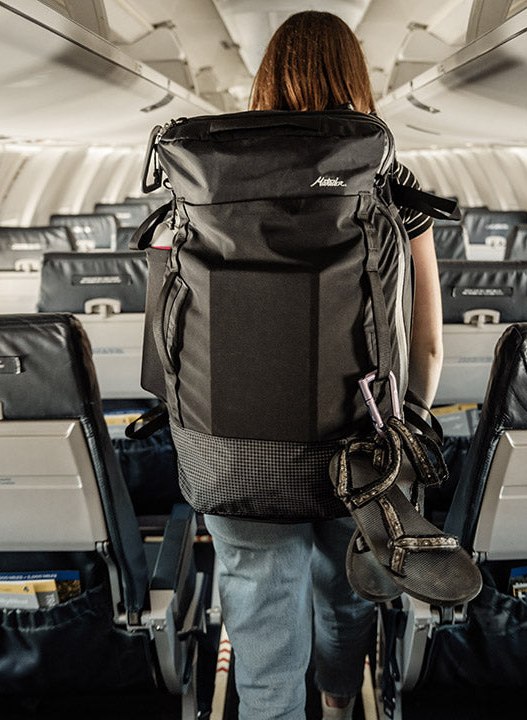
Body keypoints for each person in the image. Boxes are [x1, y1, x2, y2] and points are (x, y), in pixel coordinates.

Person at [202, 11, 444, 720]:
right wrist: (409, 426)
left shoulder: (211, 174)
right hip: (361, 446)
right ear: (357, 78)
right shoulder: (390, 178)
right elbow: (425, 342)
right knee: (345, 597)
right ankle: (340, 702)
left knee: (260, 634)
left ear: (265, 78)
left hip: (234, 448)